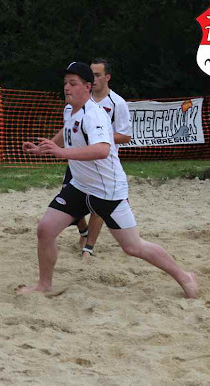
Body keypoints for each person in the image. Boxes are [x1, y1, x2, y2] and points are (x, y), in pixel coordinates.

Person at [17, 62, 198, 299]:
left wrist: (61, 153)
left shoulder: (95, 115)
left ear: (87, 87)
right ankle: (44, 285)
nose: (67, 88)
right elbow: (67, 131)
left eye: (73, 84)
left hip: (106, 190)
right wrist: (45, 148)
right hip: (80, 186)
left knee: (133, 247)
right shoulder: (70, 109)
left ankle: (184, 276)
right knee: (45, 229)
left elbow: (102, 150)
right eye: (65, 83)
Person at [75, 58, 134, 259]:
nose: (93, 78)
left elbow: (125, 136)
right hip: (79, 161)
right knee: (70, 201)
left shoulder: (118, 103)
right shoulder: (81, 99)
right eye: (91, 74)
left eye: (98, 75)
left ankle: (88, 247)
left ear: (107, 77)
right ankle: (83, 232)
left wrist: (98, 136)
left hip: (102, 163)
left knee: (99, 206)